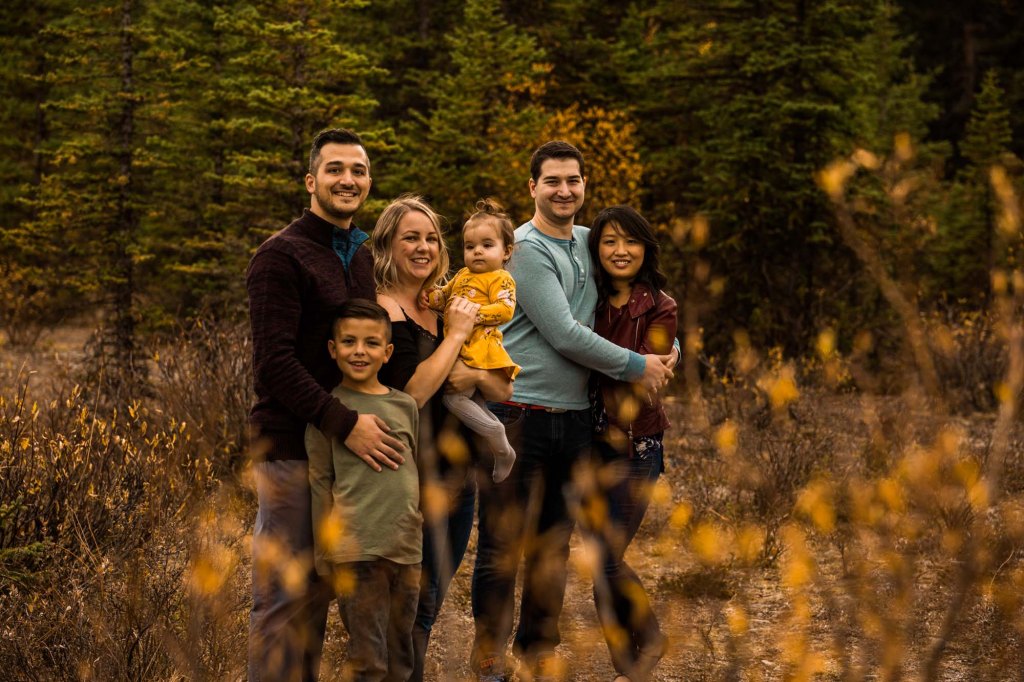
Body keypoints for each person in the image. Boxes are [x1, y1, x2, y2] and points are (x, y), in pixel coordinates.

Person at [470, 141, 676, 682]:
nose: (564, 191)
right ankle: (489, 656)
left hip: (577, 419)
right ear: (532, 187)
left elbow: (639, 294)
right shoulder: (524, 248)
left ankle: (538, 649)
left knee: (553, 543)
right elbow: (563, 333)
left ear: (584, 185)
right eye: (552, 181)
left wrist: (668, 347)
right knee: (501, 543)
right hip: (519, 414)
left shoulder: (590, 241)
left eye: (573, 181)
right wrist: (638, 365)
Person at [246, 128, 405, 682]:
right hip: (292, 448)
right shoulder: (280, 255)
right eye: (335, 169)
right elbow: (273, 364)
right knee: (285, 598)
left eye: (358, 170)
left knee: (321, 590)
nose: (348, 180)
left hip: (345, 454)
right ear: (311, 181)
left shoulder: (361, 255)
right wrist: (345, 423)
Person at [370, 194, 512, 682]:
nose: (424, 247)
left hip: (459, 474)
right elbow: (410, 394)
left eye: (431, 238)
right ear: (387, 244)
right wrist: (455, 338)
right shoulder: (384, 310)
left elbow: (503, 388)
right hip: (412, 478)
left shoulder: (445, 304)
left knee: (429, 601)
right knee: (409, 601)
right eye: (410, 237)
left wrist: (474, 375)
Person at [306, 299, 422, 681]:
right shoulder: (329, 411)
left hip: (405, 549)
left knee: (401, 656)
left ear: (387, 352)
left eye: (371, 343)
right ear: (332, 349)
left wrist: (415, 523)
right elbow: (320, 483)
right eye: (349, 342)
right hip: (356, 552)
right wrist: (324, 553)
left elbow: (413, 471)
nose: (359, 351)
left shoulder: (405, 405)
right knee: (369, 660)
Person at [584, 206, 676, 682]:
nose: (621, 251)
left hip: (637, 446)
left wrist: (587, 355)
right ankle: (627, 668)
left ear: (646, 248)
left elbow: (645, 376)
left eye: (631, 241)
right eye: (610, 242)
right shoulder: (587, 297)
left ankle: (651, 639)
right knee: (599, 562)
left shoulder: (660, 306)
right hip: (586, 444)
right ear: (595, 249)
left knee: (606, 558)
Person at [427, 198, 520, 483]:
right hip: (460, 347)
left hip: (479, 351)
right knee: (474, 403)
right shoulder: (463, 275)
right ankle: (496, 440)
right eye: (470, 246)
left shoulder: (500, 279)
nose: (477, 251)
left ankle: (497, 436)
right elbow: (444, 297)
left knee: (453, 398)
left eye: (487, 245)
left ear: (506, 251)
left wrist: (472, 314)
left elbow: (505, 310)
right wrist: (429, 296)